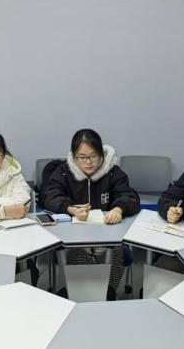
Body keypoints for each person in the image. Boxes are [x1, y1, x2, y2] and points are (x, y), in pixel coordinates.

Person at [42, 129, 140, 300]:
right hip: (74, 238)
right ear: (74, 157)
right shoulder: (63, 172)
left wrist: (118, 209)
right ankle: (79, 293)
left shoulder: (112, 172)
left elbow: (130, 196)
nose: (88, 162)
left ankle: (109, 292)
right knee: (77, 254)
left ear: (101, 154)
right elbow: (50, 197)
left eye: (93, 156)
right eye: (82, 157)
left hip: (109, 236)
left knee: (116, 253)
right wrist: (71, 209)